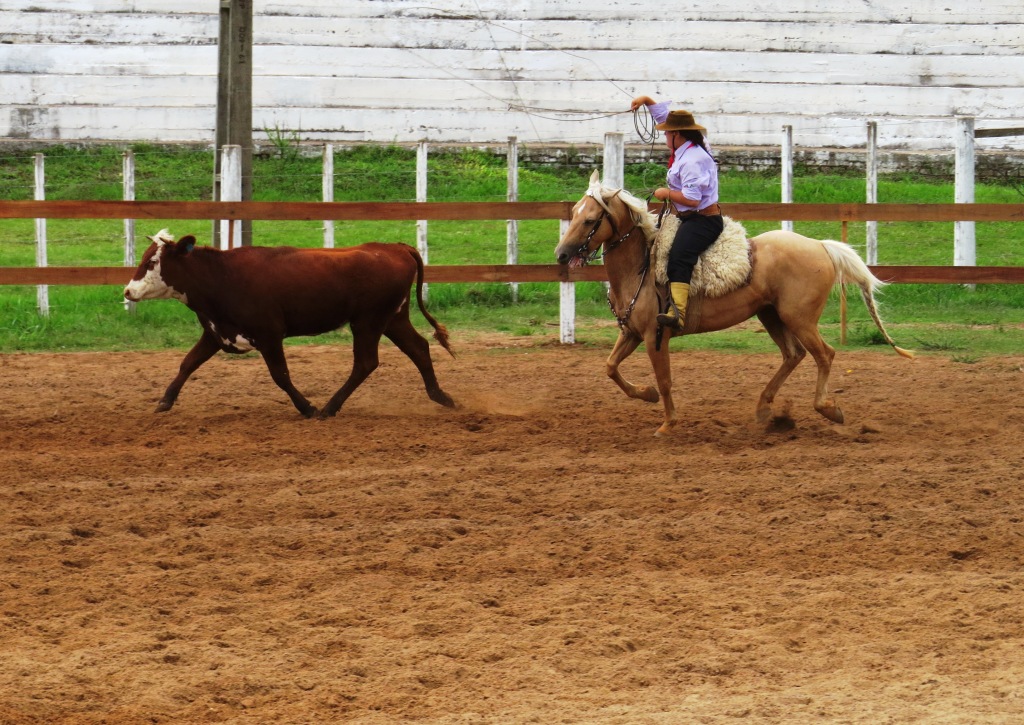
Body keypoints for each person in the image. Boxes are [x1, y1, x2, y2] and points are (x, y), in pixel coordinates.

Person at [630, 95, 723, 330]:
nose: (664, 135)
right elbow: (665, 117)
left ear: (677, 135)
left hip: (702, 220)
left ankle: (678, 313)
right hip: (689, 217)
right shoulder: (693, 146)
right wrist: (647, 101)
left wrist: (667, 193)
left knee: (678, 257)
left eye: (667, 133)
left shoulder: (692, 160)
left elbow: (692, 200)